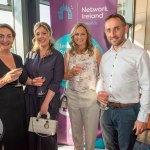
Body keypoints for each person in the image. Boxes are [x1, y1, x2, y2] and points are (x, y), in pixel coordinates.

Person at [97, 13, 150, 150]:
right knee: (109, 147)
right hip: (106, 111)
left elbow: (147, 86)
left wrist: (143, 117)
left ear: (125, 28)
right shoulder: (105, 57)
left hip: (128, 112)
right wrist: (98, 93)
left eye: (117, 28)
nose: (112, 34)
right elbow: (101, 79)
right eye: (108, 30)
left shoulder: (139, 54)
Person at [24, 22, 64, 150]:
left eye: (44, 33)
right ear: (34, 36)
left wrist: (45, 103)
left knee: (46, 135)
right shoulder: (30, 55)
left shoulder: (57, 56)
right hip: (31, 99)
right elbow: (23, 76)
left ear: (49, 34)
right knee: (32, 133)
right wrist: (31, 81)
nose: (41, 36)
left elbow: (56, 82)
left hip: (49, 100)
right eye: (37, 34)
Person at [64, 23, 101, 150]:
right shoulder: (68, 53)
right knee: (76, 131)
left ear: (87, 36)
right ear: (73, 36)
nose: (79, 37)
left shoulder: (95, 51)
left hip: (91, 97)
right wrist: (71, 73)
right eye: (76, 34)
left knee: (91, 132)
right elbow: (64, 76)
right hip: (73, 95)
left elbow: (102, 75)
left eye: (82, 34)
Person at [0, 24, 27, 150]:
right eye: (1, 36)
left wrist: (33, 81)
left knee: (20, 140)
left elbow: (22, 79)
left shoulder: (17, 57)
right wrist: (5, 79)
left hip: (19, 106)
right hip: (2, 108)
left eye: (9, 36)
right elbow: (8, 79)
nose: (5, 39)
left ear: (13, 39)